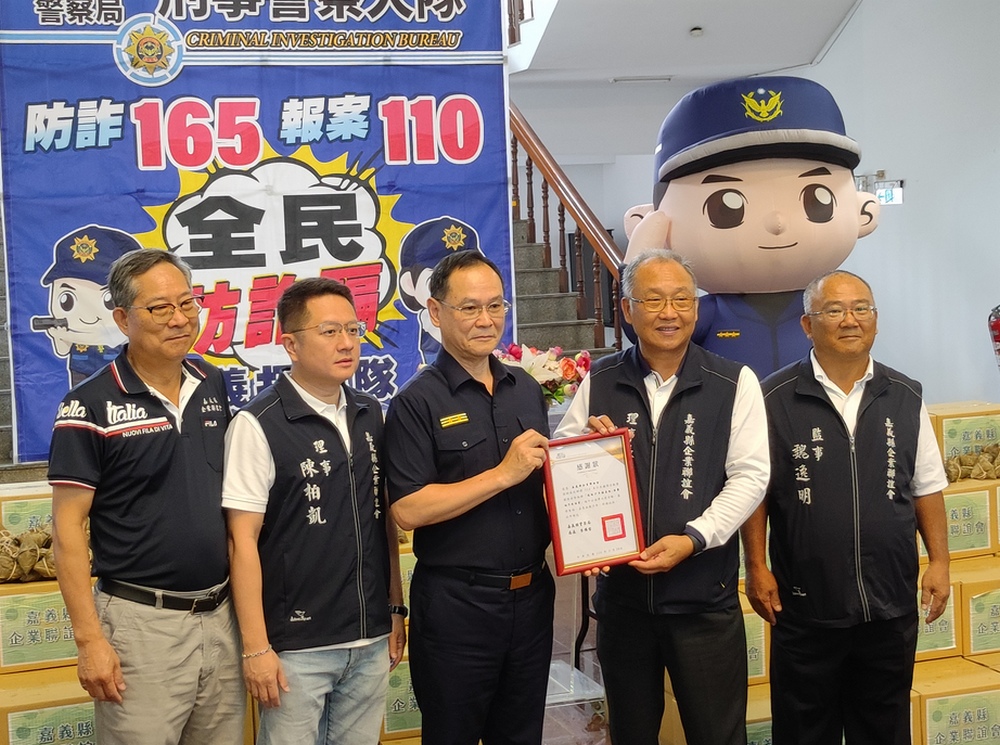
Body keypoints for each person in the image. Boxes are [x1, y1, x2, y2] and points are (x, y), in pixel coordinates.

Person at [555, 248, 770, 745]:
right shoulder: (601, 379)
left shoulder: (734, 381)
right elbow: (562, 462)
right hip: (624, 604)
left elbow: (750, 477)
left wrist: (694, 538)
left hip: (703, 602)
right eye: (653, 300)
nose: (669, 312)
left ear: (696, 307)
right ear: (627, 310)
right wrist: (586, 448)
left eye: (681, 299)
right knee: (631, 733)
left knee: (718, 735)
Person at [741, 269, 950, 744]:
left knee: (883, 728)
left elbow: (926, 485)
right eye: (833, 310)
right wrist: (756, 565)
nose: (850, 320)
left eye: (861, 309)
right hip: (805, 605)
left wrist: (940, 560)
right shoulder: (772, 398)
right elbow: (756, 491)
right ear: (807, 325)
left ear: (875, 319)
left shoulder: (905, 394)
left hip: (889, 604)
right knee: (803, 731)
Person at [48, 248, 244, 745]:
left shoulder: (212, 383)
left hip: (223, 617)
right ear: (122, 319)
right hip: (140, 626)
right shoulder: (88, 404)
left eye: (188, 303)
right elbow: (67, 529)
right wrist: (89, 641)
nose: (179, 319)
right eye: (160, 308)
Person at [223, 277, 406, 745]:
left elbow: (381, 520)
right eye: (329, 332)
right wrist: (256, 647)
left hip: (370, 638)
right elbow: (241, 541)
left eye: (353, 329)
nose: (346, 343)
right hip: (297, 647)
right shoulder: (257, 424)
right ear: (291, 344)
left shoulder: (370, 412)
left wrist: (394, 609)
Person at [384, 250, 553, 745]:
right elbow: (408, 509)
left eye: (496, 305)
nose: (486, 320)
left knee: (522, 735)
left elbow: (547, 480)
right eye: (470, 308)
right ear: (436, 313)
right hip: (458, 607)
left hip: (533, 599)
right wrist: (501, 475)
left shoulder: (526, 388)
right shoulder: (416, 401)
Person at [623, 75, 880, 378]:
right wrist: (636, 264)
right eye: (725, 208)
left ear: (864, 213)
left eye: (817, 200)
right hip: (725, 408)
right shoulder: (708, 313)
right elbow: (642, 330)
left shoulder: (827, 307)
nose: (777, 222)